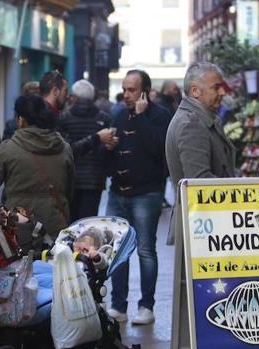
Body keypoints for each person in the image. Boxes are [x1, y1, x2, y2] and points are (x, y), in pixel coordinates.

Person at [164, 62, 235, 346]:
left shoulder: (200, 119)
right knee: (199, 304)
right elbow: (201, 184)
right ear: (195, 91)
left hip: (204, 228)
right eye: (215, 87)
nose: (221, 92)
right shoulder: (192, 124)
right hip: (202, 229)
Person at [105, 69, 170, 325]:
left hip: (147, 193)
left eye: (131, 89)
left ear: (145, 91)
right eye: (124, 89)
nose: (126, 94)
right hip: (118, 192)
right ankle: (118, 306)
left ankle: (147, 306)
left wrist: (142, 118)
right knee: (118, 250)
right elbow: (112, 158)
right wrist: (108, 148)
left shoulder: (159, 115)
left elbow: (156, 148)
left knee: (145, 250)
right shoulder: (118, 115)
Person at [0, 94, 74, 249]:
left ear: (21, 119)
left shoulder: (8, 149)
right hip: (56, 226)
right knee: (52, 270)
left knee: (20, 271)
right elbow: (69, 191)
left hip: (19, 228)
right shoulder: (64, 148)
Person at [58, 80, 116, 221]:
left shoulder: (63, 119)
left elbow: (67, 151)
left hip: (70, 180)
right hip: (94, 180)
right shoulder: (105, 118)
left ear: (74, 97)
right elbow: (107, 153)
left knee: (69, 224)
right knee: (88, 225)